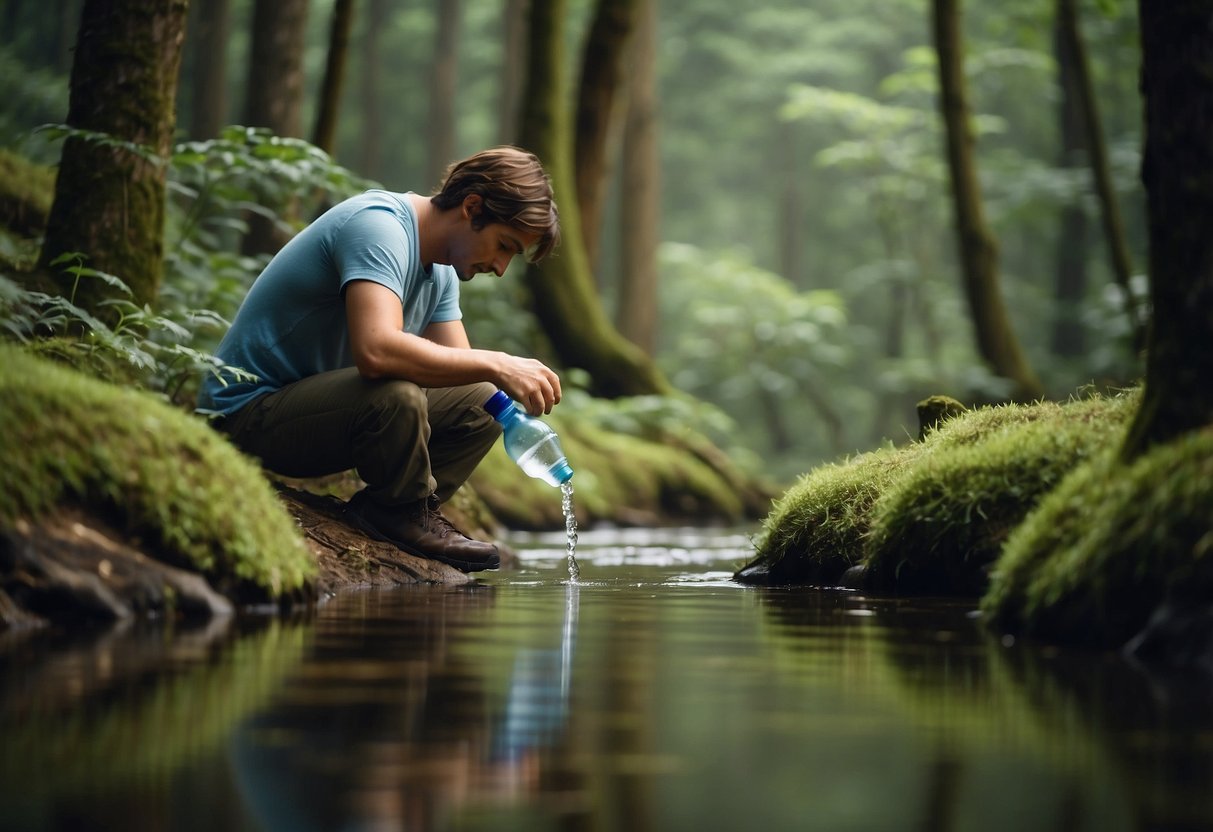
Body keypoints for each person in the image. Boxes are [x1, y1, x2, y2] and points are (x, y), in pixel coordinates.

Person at [198, 147, 563, 573]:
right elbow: (376, 351)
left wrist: (512, 403)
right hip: (246, 415)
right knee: (396, 392)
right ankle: (400, 510)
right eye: (504, 246)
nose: (501, 267)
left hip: (315, 417)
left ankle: (396, 510)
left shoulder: (441, 272)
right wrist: (499, 361)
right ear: (472, 207)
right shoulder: (379, 226)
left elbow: (464, 380)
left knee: (482, 402)